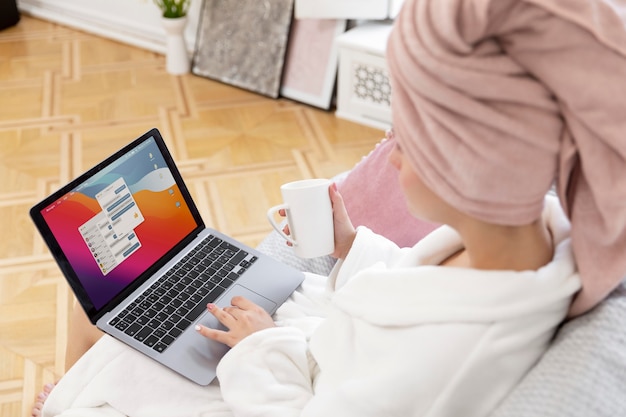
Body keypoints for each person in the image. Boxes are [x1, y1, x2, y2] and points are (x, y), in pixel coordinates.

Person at [34, 0, 626, 416]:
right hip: (305, 345)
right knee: (126, 301)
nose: (389, 154)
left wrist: (259, 346)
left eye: (406, 138)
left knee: (100, 315)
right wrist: (352, 246)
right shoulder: (526, 243)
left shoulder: (455, 353)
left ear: (467, 163)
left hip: (274, 381)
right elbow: (409, 287)